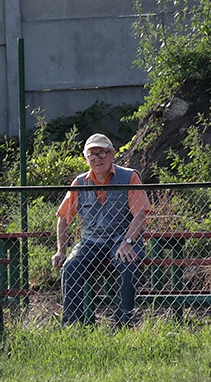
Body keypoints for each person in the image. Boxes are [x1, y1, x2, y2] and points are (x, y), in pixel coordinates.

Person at [51, 133, 152, 327]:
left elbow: (140, 213)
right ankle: (74, 326)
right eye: (92, 154)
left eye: (102, 153)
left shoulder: (129, 177)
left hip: (122, 238)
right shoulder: (79, 183)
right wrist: (61, 251)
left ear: (112, 154)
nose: (97, 159)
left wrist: (128, 242)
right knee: (70, 267)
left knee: (127, 262)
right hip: (91, 241)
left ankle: (124, 324)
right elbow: (63, 218)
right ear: (86, 158)